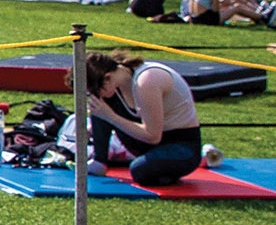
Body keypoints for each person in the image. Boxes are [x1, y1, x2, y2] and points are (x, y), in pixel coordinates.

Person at [81, 51, 205, 185]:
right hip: (146, 143)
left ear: (108, 77)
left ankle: (177, 168)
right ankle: (99, 160)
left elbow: (153, 136)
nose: (94, 94)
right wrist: (93, 129)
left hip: (180, 145)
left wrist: (110, 117)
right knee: (99, 107)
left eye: (95, 90)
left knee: (140, 170)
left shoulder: (147, 80)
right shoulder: (115, 84)